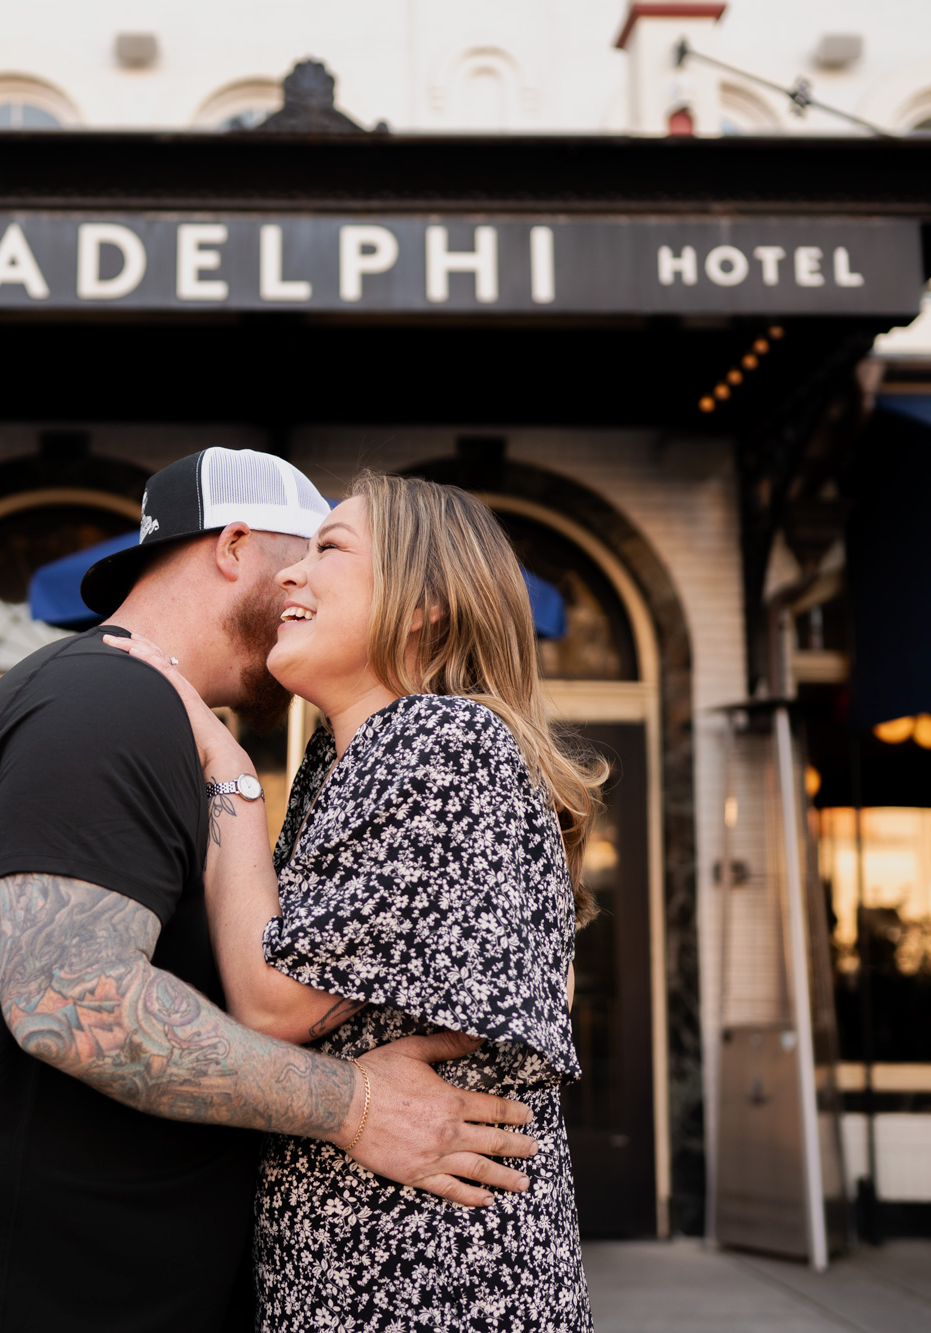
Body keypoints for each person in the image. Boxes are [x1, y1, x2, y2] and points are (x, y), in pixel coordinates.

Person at [0, 449, 540, 1332]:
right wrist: (358, 1106)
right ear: (233, 546)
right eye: (299, 552)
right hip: (3, 1281)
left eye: (327, 556)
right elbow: (70, 999)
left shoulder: (220, 729)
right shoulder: (115, 700)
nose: (301, 578)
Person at [106, 471, 604, 1331]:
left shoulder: (440, 739)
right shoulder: (346, 766)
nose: (290, 574)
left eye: (328, 549)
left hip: (432, 1288)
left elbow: (273, 1003)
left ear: (425, 607)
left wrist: (227, 774)